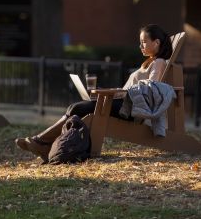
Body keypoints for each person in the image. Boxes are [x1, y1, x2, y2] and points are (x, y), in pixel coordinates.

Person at [15, 24, 173, 162]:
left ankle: (41, 142)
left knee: (77, 108)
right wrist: (115, 93)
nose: (141, 46)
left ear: (157, 42)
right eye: (140, 42)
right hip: (124, 103)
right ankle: (42, 143)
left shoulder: (159, 62)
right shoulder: (149, 62)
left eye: (144, 42)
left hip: (131, 110)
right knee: (76, 108)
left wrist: (117, 93)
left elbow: (151, 89)